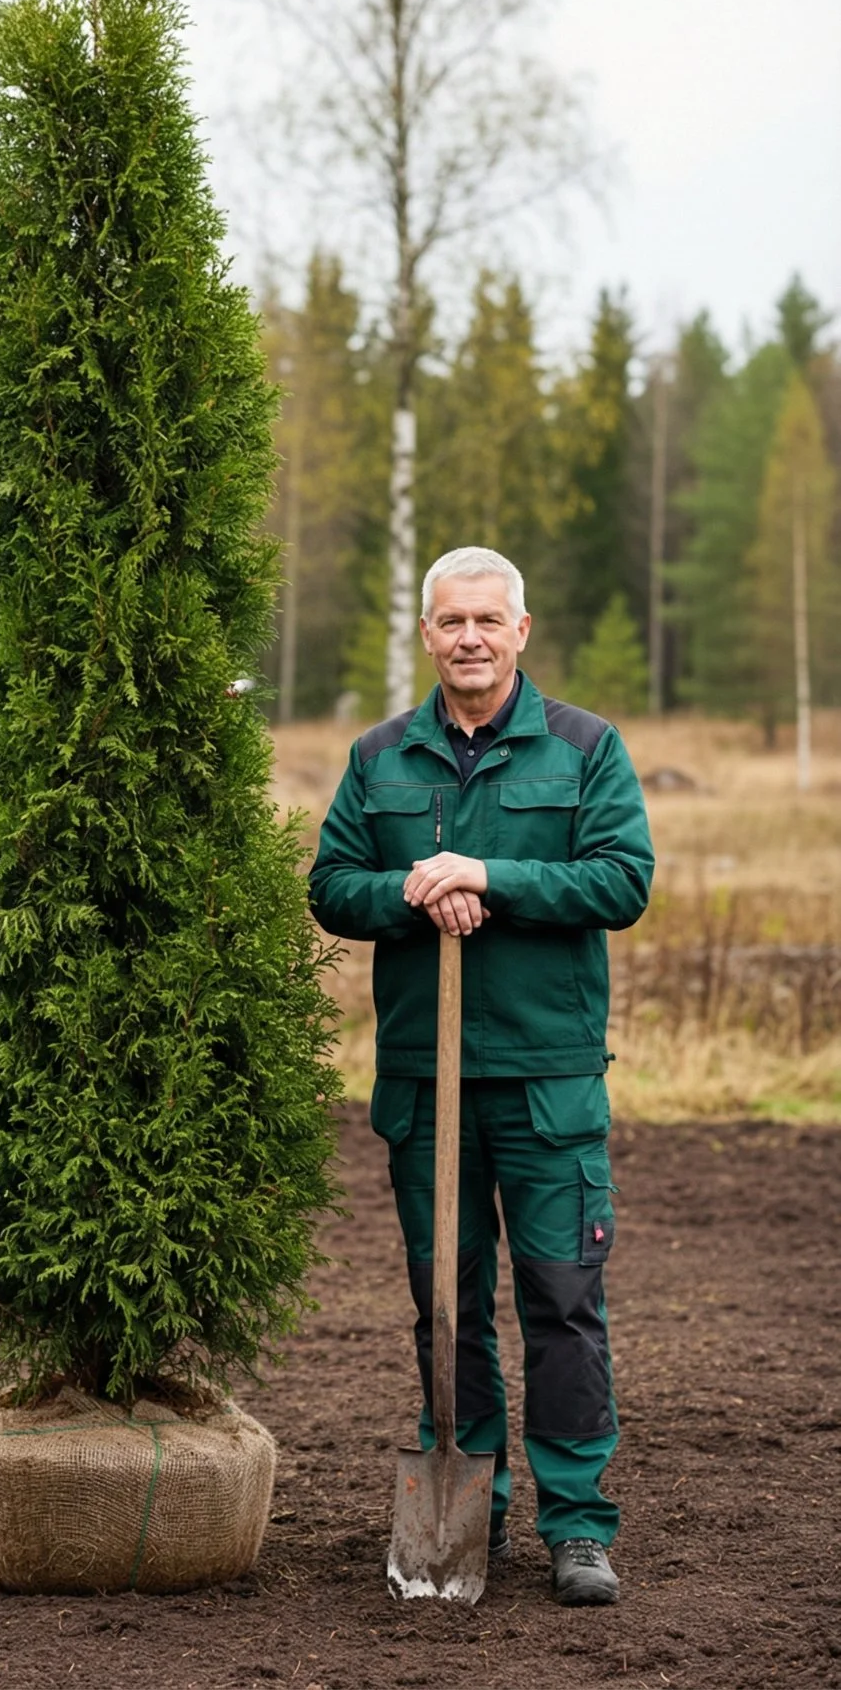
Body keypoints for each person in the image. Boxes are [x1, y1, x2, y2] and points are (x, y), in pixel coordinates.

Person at [309, 545, 654, 1607]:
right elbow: (331, 884)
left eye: (486, 620)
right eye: (450, 620)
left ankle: (578, 1526)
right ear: (427, 633)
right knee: (444, 1304)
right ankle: (474, 1508)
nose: (469, 636)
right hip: (429, 1082)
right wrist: (416, 887)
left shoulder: (585, 748)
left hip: (547, 1083)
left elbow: (622, 876)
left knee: (561, 1301)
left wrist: (488, 874)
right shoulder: (381, 757)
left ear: (521, 629)